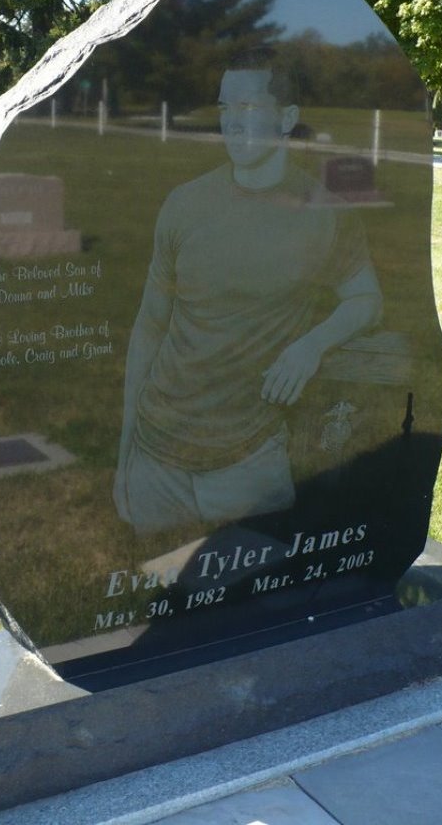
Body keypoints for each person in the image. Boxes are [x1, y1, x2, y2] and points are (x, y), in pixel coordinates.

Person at [114, 48, 382, 532]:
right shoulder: (185, 205)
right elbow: (149, 328)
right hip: (156, 459)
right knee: (150, 600)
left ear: (288, 118)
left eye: (249, 108)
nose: (232, 124)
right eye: (225, 109)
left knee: (254, 591)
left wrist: (311, 345)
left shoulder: (324, 212)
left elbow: (365, 299)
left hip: (250, 460)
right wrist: (125, 454)